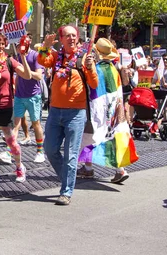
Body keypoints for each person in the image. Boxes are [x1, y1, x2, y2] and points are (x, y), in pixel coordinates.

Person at [37, 25, 98, 205]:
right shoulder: (57, 57)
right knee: (50, 149)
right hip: (55, 112)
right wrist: (45, 46)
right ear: (61, 39)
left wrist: (91, 67)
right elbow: (42, 60)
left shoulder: (84, 57)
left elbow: (94, 84)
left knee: (71, 154)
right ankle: (67, 177)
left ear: (78, 38)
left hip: (76, 114)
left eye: (74, 35)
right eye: (67, 36)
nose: (71, 38)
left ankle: (66, 192)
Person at [77, 38, 129, 183]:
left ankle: (88, 169)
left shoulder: (97, 69)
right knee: (113, 137)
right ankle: (120, 169)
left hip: (97, 111)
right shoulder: (113, 69)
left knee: (90, 137)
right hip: (114, 110)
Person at [0, 32, 33, 182]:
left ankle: (20, 167)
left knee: (11, 140)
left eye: (2, 43)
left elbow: (27, 76)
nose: (1, 46)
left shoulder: (9, 61)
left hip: (5, 105)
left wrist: (24, 57)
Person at [11, 33, 45, 161]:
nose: (21, 46)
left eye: (23, 44)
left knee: (36, 123)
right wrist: (15, 89)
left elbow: (39, 76)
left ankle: (40, 151)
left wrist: (26, 71)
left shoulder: (35, 56)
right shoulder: (17, 56)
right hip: (20, 95)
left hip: (33, 95)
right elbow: (19, 76)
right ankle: (10, 151)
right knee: (16, 125)